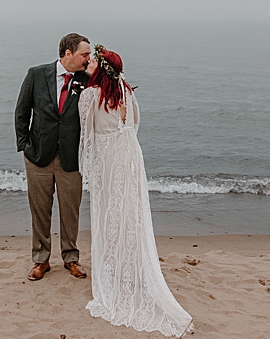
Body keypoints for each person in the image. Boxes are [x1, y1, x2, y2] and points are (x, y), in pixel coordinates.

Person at [79, 45, 194, 335]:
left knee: (108, 213)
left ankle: (113, 274)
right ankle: (127, 268)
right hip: (130, 157)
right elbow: (135, 125)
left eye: (94, 59)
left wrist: (88, 172)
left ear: (102, 68)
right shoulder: (127, 92)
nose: (89, 61)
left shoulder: (90, 96)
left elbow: (87, 139)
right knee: (130, 212)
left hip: (108, 158)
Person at [16, 33, 93, 280]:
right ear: (68, 54)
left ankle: (71, 258)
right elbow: (21, 111)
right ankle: (41, 260)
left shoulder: (87, 80)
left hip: (72, 158)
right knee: (40, 210)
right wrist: (25, 145)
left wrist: (94, 74)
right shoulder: (37, 75)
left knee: (71, 211)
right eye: (84, 54)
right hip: (38, 155)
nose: (87, 59)